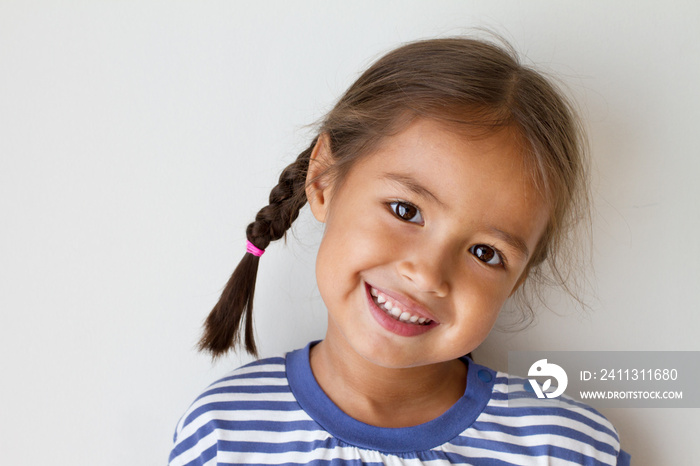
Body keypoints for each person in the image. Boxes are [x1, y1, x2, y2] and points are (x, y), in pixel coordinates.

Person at [168, 37, 631, 465]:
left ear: (520, 276)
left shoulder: (566, 450)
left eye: (485, 253)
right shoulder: (225, 433)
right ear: (323, 179)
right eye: (405, 210)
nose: (428, 274)